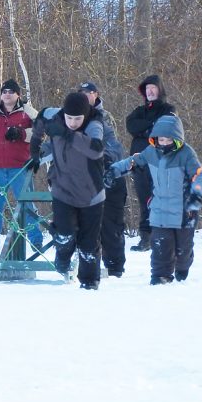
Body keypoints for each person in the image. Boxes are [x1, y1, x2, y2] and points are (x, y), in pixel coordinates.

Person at [107, 115, 202, 285]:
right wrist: (114, 171)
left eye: (169, 139)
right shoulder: (151, 152)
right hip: (159, 210)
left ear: (177, 139)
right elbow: (133, 161)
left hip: (184, 212)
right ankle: (160, 277)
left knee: (182, 251)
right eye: (161, 139)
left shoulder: (186, 154)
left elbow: (201, 176)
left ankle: (183, 265)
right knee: (160, 247)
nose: (164, 143)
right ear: (155, 139)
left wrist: (197, 194)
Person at [31, 93, 106, 289]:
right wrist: (35, 148)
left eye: (77, 119)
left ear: (85, 115)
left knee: (89, 245)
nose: (73, 122)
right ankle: (62, 259)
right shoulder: (54, 116)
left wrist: (67, 134)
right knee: (64, 234)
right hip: (63, 189)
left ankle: (89, 283)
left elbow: (96, 149)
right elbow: (40, 118)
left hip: (91, 194)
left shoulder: (94, 124)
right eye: (69, 118)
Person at [0, 78, 43, 254]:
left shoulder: (28, 112)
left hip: (20, 167)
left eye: (11, 91)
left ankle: (36, 241)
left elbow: (42, 132)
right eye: (4, 92)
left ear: (18, 94)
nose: (7, 95)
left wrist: (21, 133)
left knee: (27, 205)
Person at [80, 82, 127, 277]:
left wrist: (103, 157)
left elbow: (114, 146)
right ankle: (88, 264)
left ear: (95, 95)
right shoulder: (74, 117)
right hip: (85, 179)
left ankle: (115, 267)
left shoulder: (104, 118)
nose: (85, 96)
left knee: (111, 224)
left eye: (88, 93)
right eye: (81, 93)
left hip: (109, 175)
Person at [125, 75, 177, 252]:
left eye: (153, 87)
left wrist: (145, 130)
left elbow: (166, 127)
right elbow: (131, 125)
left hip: (162, 163)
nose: (150, 91)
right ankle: (145, 238)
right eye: (147, 89)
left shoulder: (168, 109)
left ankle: (163, 237)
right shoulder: (139, 111)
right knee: (144, 200)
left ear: (160, 89)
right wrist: (150, 127)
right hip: (140, 163)